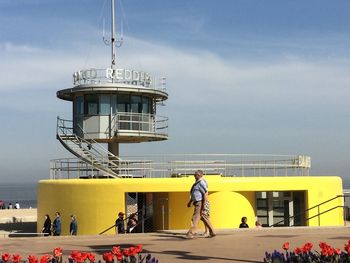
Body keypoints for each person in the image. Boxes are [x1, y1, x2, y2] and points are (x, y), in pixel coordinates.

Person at [186, 170, 216, 239]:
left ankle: (191, 233)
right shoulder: (196, 183)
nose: (194, 176)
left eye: (195, 174)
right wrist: (190, 202)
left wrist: (204, 204)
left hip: (200, 202)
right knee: (205, 217)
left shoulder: (201, 182)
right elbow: (194, 194)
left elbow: (205, 193)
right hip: (197, 202)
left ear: (200, 175)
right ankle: (212, 232)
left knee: (195, 218)